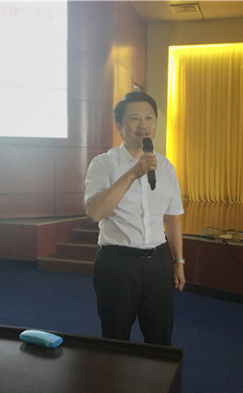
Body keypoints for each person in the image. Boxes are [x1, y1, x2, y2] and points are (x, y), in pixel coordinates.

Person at [84, 91, 186, 346]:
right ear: (120, 126)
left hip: (157, 264)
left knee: (160, 339)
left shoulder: (166, 167)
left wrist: (179, 261)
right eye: (134, 118)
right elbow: (95, 211)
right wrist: (132, 173)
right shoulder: (103, 164)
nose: (143, 125)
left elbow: (172, 217)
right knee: (115, 339)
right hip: (117, 264)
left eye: (149, 117)